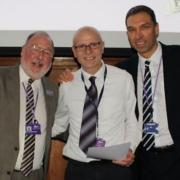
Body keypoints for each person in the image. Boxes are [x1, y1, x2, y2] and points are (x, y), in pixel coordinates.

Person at [52, 26, 140, 180]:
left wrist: (129, 149)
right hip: (77, 169)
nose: (88, 51)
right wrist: (32, 132)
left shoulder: (123, 79)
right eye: (81, 46)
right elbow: (59, 123)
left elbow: (132, 121)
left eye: (94, 44)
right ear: (74, 51)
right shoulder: (67, 84)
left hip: (115, 168)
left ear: (102, 46)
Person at [116, 5, 180, 180]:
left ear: (157, 29)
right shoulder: (122, 70)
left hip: (176, 158)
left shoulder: (177, 57)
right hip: (142, 162)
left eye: (144, 27)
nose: (138, 35)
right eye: (131, 30)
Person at [0, 31, 58, 180]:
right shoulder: (2, 78)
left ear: (51, 60)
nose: (40, 56)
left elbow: (60, 125)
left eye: (46, 52)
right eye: (35, 48)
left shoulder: (53, 89)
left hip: (36, 175)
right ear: (22, 50)